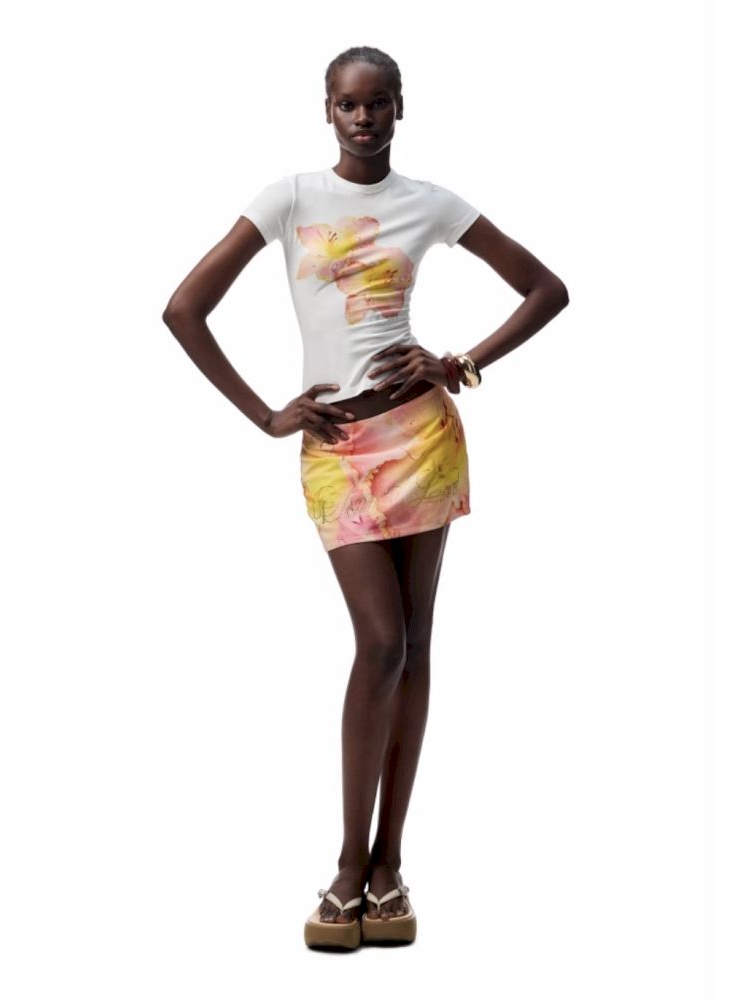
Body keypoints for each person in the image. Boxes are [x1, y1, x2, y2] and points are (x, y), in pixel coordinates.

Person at [162, 45, 569, 950]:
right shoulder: (289, 198)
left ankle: (389, 868)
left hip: (423, 441)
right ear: (326, 110)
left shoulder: (431, 203)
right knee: (380, 642)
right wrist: (267, 415)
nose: (363, 118)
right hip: (337, 452)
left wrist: (459, 363)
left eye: (378, 102)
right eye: (348, 104)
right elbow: (184, 308)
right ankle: (348, 864)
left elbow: (548, 290)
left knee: (414, 645)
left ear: (399, 108)